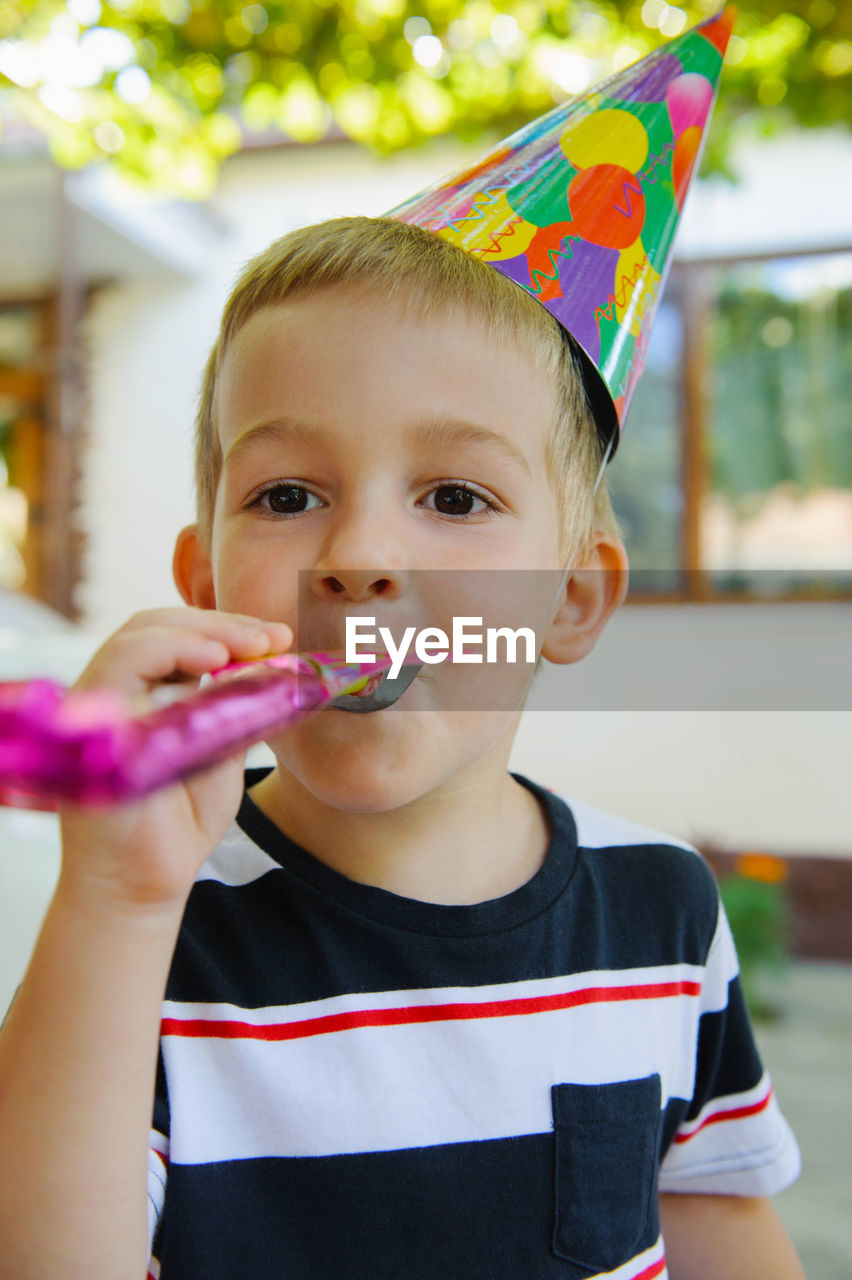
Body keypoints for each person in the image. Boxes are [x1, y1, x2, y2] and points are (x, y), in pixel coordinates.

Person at [0, 212, 805, 1280]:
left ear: (568, 598)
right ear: (204, 582)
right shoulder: (155, 929)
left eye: (455, 497)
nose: (362, 556)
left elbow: (716, 1221)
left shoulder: (663, 908)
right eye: (287, 495)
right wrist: (116, 902)